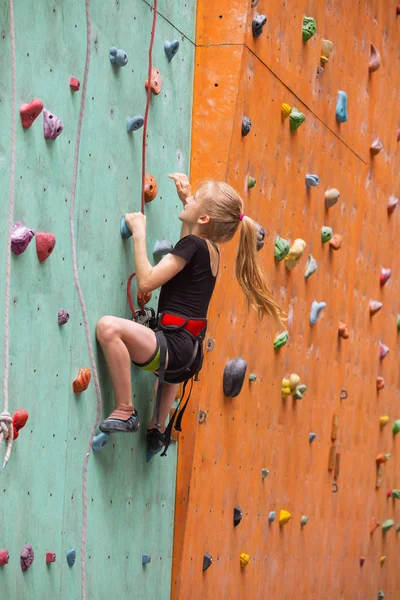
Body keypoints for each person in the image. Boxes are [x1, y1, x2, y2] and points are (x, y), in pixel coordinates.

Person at [96, 173, 286, 457]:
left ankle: (125, 410)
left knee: (107, 328)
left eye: (195, 198)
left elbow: (147, 281)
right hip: (188, 355)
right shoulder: (211, 249)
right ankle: (158, 429)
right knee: (170, 354)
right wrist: (188, 201)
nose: (190, 197)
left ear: (205, 219)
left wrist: (139, 232)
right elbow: (191, 237)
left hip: (173, 347)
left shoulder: (194, 246)